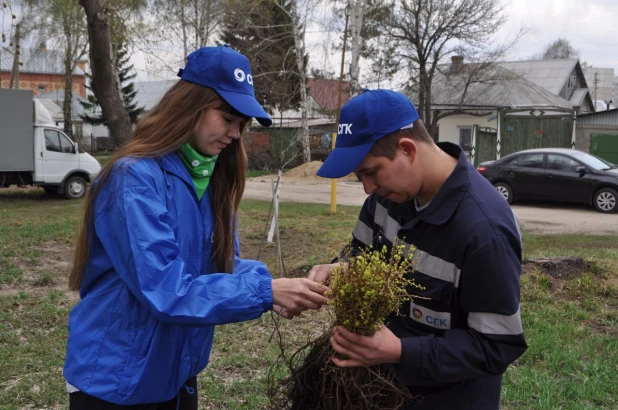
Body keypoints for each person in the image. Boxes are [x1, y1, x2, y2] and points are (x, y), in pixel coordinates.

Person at [63, 45, 329, 409]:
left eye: (242, 124)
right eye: (227, 118)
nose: (235, 134)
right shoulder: (134, 179)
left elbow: (220, 267)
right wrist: (267, 292)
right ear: (189, 105)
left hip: (178, 373)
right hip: (118, 382)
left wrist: (279, 286)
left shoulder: (210, 177)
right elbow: (166, 289)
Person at [308, 89, 527, 409]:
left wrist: (400, 351)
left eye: (370, 171)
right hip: (386, 391)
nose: (368, 188)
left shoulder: (484, 232)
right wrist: (342, 267)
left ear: (407, 149)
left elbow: (495, 347)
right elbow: (361, 252)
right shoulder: (384, 200)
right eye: (360, 176)